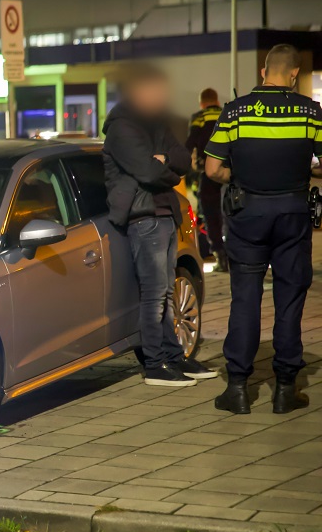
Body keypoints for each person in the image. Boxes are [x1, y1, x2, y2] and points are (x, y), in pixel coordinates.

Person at [205, 44, 322, 414]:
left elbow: (212, 169)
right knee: (289, 299)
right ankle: (285, 389)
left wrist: (238, 176)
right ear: (293, 74)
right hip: (292, 214)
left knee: (245, 299)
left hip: (248, 216)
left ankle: (238, 389)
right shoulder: (309, 111)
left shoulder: (235, 111)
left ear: (263, 71)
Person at [103, 63, 218, 387]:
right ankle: (154, 364)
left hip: (165, 212)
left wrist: (164, 161)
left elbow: (183, 160)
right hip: (144, 216)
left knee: (166, 292)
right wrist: (164, 167)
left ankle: (174, 357)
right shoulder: (122, 128)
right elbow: (149, 174)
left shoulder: (155, 124)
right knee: (154, 294)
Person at [186, 88, 226, 271]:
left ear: (202, 103)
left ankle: (220, 254)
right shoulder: (227, 112)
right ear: (216, 101)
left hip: (208, 172)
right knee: (231, 212)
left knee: (210, 214)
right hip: (229, 172)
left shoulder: (199, 117)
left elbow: (191, 143)